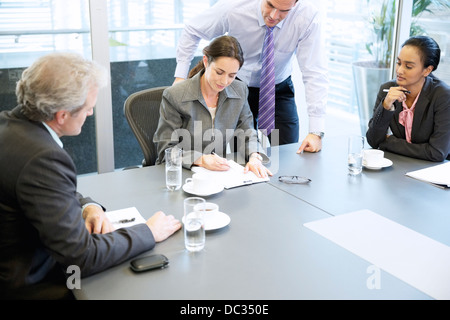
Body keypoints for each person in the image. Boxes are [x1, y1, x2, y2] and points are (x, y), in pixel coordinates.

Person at [0, 52, 181, 299]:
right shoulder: (42, 157)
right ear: (62, 115)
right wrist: (148, 231)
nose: (91, 113)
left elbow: (42, 188)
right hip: (31, 282)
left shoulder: (12, 127)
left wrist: (88, 206)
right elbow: (82, 257)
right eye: (87, 108)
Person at [173, 0, 329, 153]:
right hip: (238, 87)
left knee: (286, 152)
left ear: (295, 4)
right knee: (242, 153)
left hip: (278, 89)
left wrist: (316, 131)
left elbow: (314, 71)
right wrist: (180, 76)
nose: (274, 16)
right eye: (270, 5)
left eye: (284, 10)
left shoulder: (307, 17)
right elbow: (193, 30)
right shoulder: (234, 6)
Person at [154, 35, 272, 178]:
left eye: (232, 75)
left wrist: (254, 156)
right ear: (206, 61)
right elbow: (165, 149)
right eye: (219, 72)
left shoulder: (239, 90)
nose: (224, 81)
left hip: (217, 176)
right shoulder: (175, 95)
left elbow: (247, 131)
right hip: (180, 174)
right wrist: (201, 159)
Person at [366, 36, 450, 162]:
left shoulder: (443, 96)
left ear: (427, 70)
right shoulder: (388, 89)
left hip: (432, 172)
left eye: (408, 66)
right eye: (399, 63)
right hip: (402, 165)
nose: (399, 71)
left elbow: (437, 152)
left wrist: (388, 142)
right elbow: (373, 140)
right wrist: (386, 105)